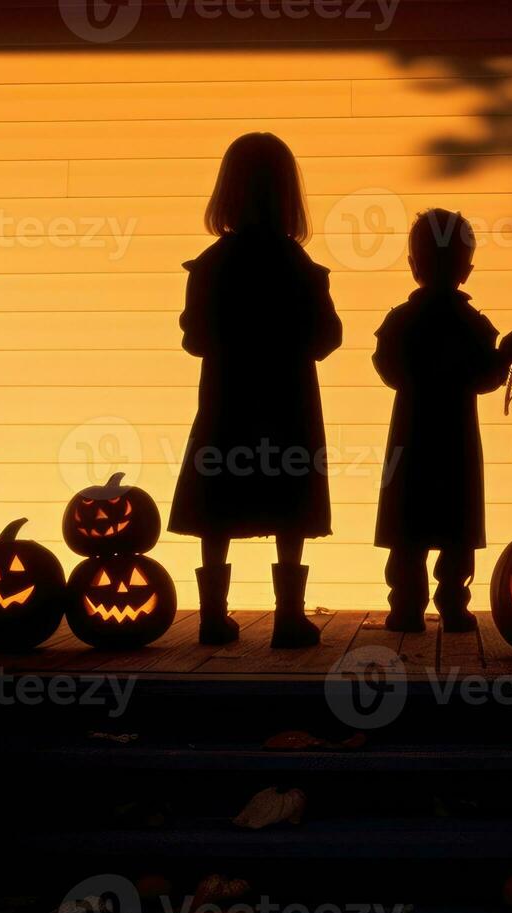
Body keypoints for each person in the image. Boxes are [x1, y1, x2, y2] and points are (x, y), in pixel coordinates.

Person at [169, 133, 341, 648]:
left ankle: (212, 617)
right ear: (289, 195)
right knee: (289, 498)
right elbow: (326, 338)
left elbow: (195, 339)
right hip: (288, 399)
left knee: (219, 496)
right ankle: (289, 615)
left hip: (228, 400)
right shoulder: (298, 266)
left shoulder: (211, 264)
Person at [373, 209, 512, 632]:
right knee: (457, 524)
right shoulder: (472, 324)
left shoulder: (400, 321)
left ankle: (406, 606)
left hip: (409, 434)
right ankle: (454, 604)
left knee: (407, 525)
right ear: (467, 269)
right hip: (456, 439)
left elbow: (386, 368)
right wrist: (507, 354)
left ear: (413, 265)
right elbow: (485, 379)